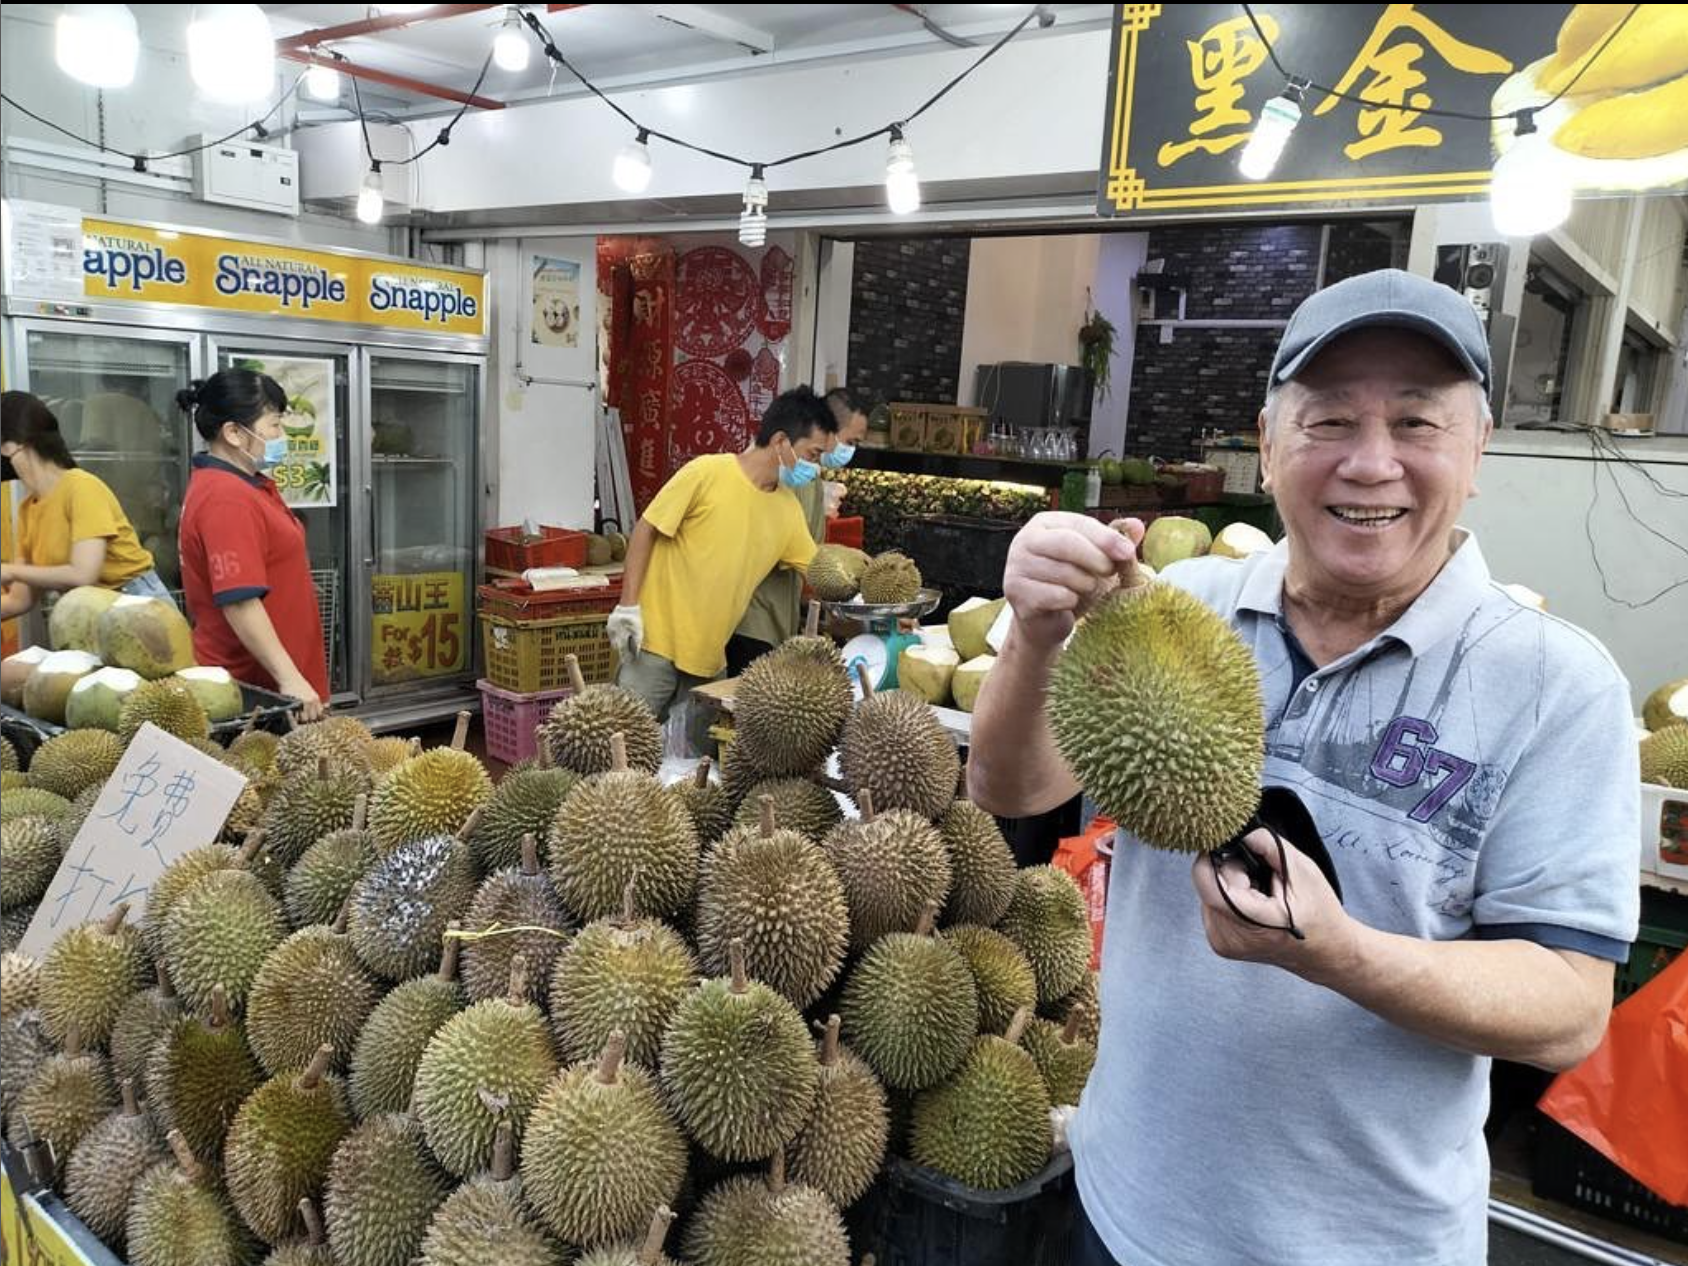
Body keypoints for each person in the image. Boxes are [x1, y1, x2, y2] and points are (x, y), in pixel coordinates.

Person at [967, 269, 1638, 1266]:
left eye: (1415, 423)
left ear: (1477, 450)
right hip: (1125, 1211)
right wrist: (1033, 633)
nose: (1370, 463)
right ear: (1269, 443)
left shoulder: (1555, 686)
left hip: (1371, 1245)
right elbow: (1011, 789)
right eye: (1328, 421)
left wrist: (1337, 954)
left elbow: (1568, 1011)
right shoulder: (1176, 605)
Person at [608, 386, 836, 721]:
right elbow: (646, 529)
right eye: (812, 455)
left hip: (710, 661)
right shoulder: (707, 472)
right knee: (623, 739)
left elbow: (818, 573)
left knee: (701, 752)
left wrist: (871, 596)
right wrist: (628, 606)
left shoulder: (787, 509)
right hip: (653, 645)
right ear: (780, 442)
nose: (815, 469)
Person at [176, 370, 329, 722]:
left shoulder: (244, 485)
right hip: (257, 692)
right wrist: (289, 678)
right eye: (274, 425)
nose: (281, 436)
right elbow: (240, 602)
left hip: (275, 682)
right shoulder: (226, 498)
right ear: (233, 433)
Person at [726, 386, 871, 675]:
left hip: (777, 617)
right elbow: (793, 550)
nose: (850, 451)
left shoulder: (809, 477)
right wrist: (854, 575)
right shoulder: (788, 475)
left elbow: (807, 553)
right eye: (850, 441)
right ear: (827, 431)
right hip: (754, 620)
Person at [0, 391, 174, 618]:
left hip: (139, 606)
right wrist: (14, 573)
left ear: (11, 445)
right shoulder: (28, 510)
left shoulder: (80, 487)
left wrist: (12, 571)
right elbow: (18, 600)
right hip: (94, 613)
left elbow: (83, 574)